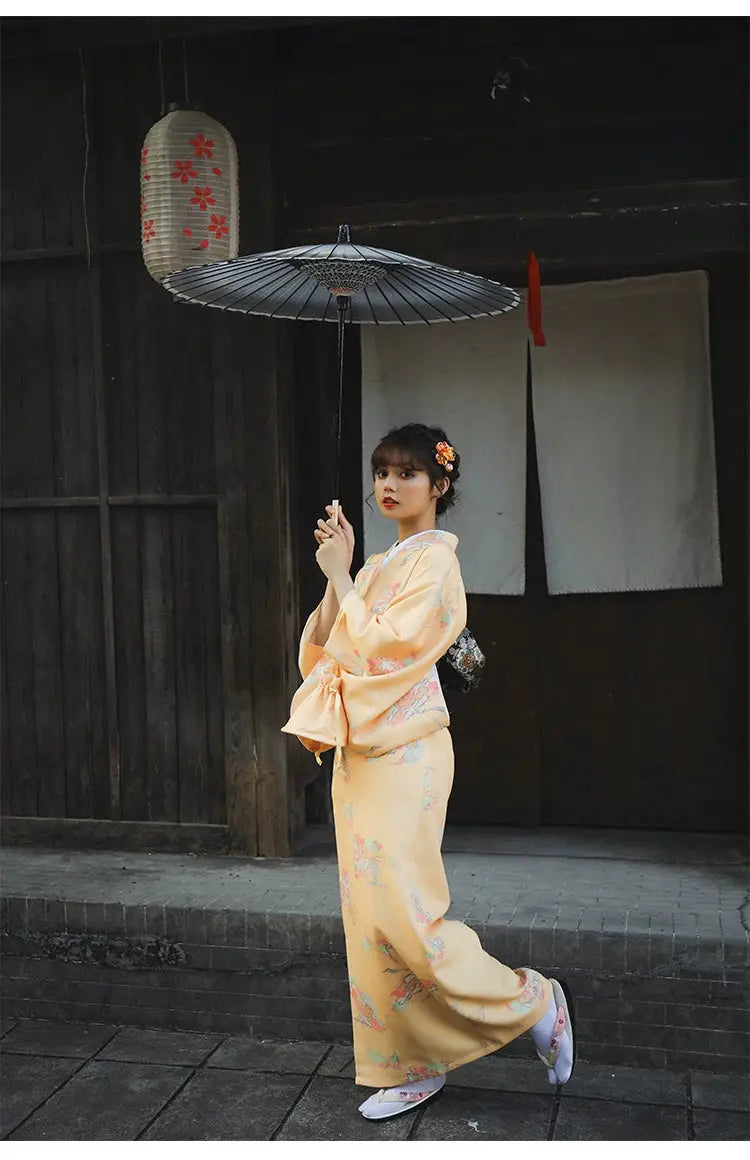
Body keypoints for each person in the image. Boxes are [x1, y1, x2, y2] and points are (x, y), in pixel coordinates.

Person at [281, 422, 575, 1121]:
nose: (389, 484)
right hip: (361, 755)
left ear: (440, 485)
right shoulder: (384, 563)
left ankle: (532, 999)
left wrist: (345, 583)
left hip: (408, 754)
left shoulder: (437, 565)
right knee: (372, 919)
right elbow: (324, 653)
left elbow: (387, 652)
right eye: (382, 471)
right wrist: (342, 572)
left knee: (410, 916)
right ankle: (409, 1063)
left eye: (408, 473)